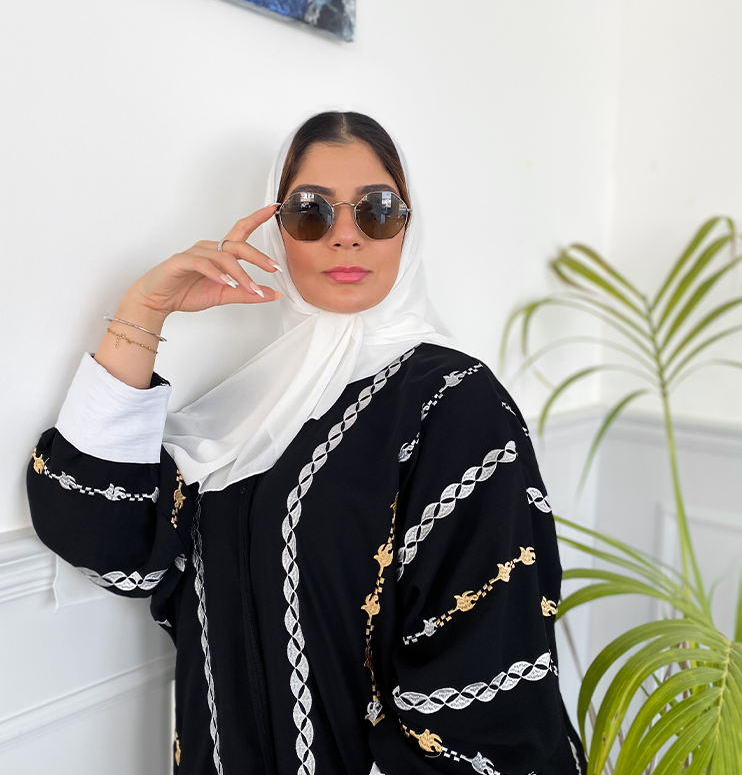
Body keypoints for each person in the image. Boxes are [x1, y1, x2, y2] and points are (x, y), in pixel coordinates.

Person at [27, 111, 586, 775]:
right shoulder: (249, 412)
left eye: (377, 210)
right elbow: (102, 538)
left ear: (408, 228)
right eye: (311, 211)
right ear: (277, 230)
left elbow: (485, 672)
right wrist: (145, 309)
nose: (346, 235)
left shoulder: (454, 404)